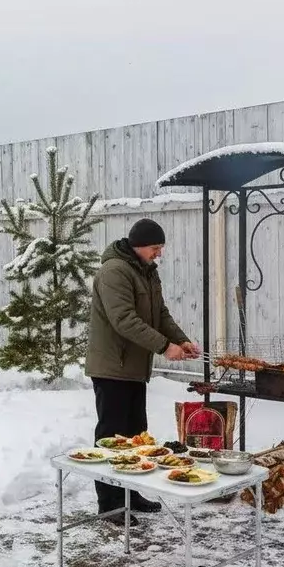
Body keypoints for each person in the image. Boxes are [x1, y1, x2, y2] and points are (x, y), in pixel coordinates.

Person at [85, 218, 200, 525]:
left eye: (160, 248)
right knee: (112, 436)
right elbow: (124, 319)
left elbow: (159, 314)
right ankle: (109, 504)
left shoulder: (146, 271)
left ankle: (131, 493)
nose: (158, 254)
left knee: (137, 435)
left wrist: (181, 340)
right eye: (155, 248)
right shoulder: (114, 272)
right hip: (112, 368)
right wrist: (164, 347)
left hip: (134, 368)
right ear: (139, 245)